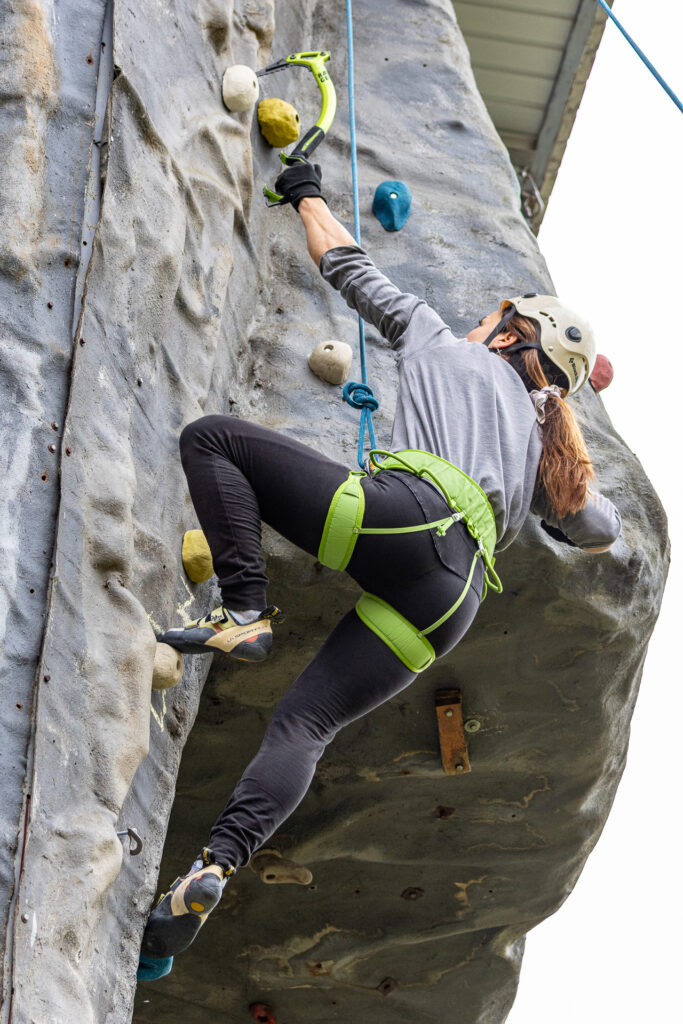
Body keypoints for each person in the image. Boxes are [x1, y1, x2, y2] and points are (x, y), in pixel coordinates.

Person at [139, 160, 621, 966]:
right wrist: (556, 447)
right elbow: (596, 530)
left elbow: (344, 262)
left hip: (410, 515)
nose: (476, 325)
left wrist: (304, 192)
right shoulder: (543, 448)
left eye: (489, 320)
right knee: (306, 725)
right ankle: (213, 865)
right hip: (452, 601)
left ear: (510, 334)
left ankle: (245, 611)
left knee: (213, 440)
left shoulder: (438, 340)